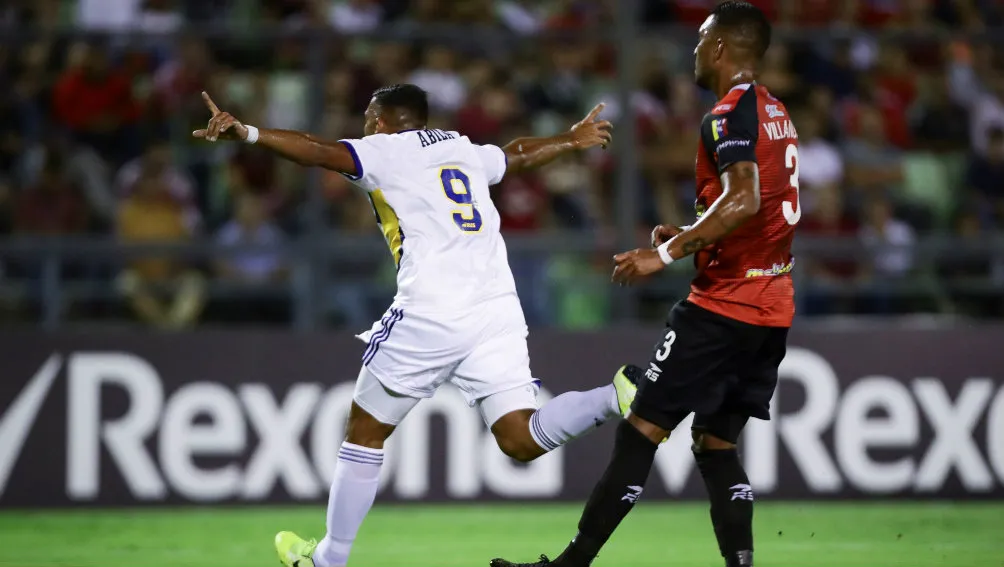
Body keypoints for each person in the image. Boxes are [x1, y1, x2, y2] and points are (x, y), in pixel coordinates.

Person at [192, 84, 639, 567]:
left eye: (367, 117)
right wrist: (570, 140)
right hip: (495, 307)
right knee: (520, 437)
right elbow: (515, 156)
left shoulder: (384, 150)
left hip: (433, 307)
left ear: (382, 121)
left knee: (364, 431)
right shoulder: (460, 147)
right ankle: (615, 397)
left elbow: (317, 150)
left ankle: (329, 559)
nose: (363, 127)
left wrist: (251, 133)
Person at [490, 3, 798, 567]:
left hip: (723, 307)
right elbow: (759, 211)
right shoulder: (775, 110)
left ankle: (569, 566)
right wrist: (694, 234)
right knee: (715, 445)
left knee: (641, 430)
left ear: (724, 47)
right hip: (772, 304)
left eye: (703, 40)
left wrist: (665, 253)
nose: (696, 50)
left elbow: (745, 198)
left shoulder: (729, 114)